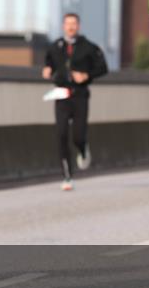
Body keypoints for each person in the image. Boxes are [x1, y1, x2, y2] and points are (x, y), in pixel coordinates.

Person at [42, 13, 108, 191]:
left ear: (78, 26)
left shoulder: (89, 47)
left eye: (74, 23)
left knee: (78, 134)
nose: (71, 27)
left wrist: (87, 75)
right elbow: (49, 63)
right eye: (67, 24)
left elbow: (103, 68)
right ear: (63, 26)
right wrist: (47, 70)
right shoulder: (55, 46)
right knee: (61, 134)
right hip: (62, 95)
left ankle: (83, 148)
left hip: (80, 95)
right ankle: (67, 176)